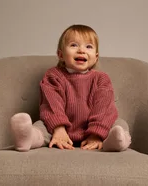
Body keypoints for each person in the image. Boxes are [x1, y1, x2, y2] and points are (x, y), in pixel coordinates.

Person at [9, 24, 131, 152]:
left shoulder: (101, 79)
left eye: (88, 46)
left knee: (120, 124)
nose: (81, 50)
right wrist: (59, 128)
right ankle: (27, 137)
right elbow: (51, 104)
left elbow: (103, 106)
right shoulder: (53, 76)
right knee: (41, 126)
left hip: (96, 130)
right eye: (74, 45)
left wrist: (96, 134)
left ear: (96, 57)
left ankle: (115, 142)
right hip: (60, 131)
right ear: (60, 54)